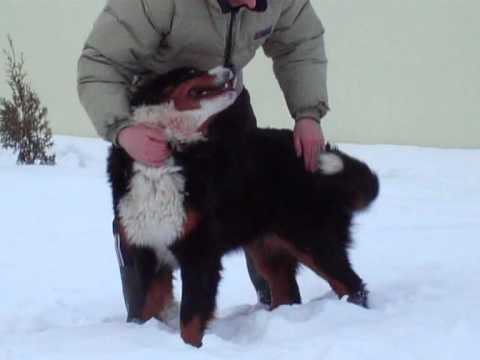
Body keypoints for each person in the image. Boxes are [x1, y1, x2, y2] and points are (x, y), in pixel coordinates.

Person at [77, 0, 329, 318]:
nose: (255, 5)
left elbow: (300, 44)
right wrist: (123, 129)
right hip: (157, 110)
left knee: (255, 198)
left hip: (223, 100)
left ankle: (276, 304)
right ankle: (151, 314)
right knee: (145, 213)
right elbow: (100, 64)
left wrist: (308, 114)